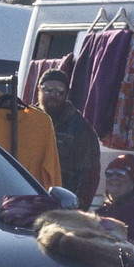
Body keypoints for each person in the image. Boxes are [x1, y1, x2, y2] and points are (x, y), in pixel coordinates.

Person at [35, 70, 101, 210]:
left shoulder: (81, 129)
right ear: (38, 89)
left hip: (61, 206)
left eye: (59, 91)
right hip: (28, 201)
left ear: (67, 94)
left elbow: (90, 176)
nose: (53, 95)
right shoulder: (26, 120)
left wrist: (77, 209)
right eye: (48, 90)